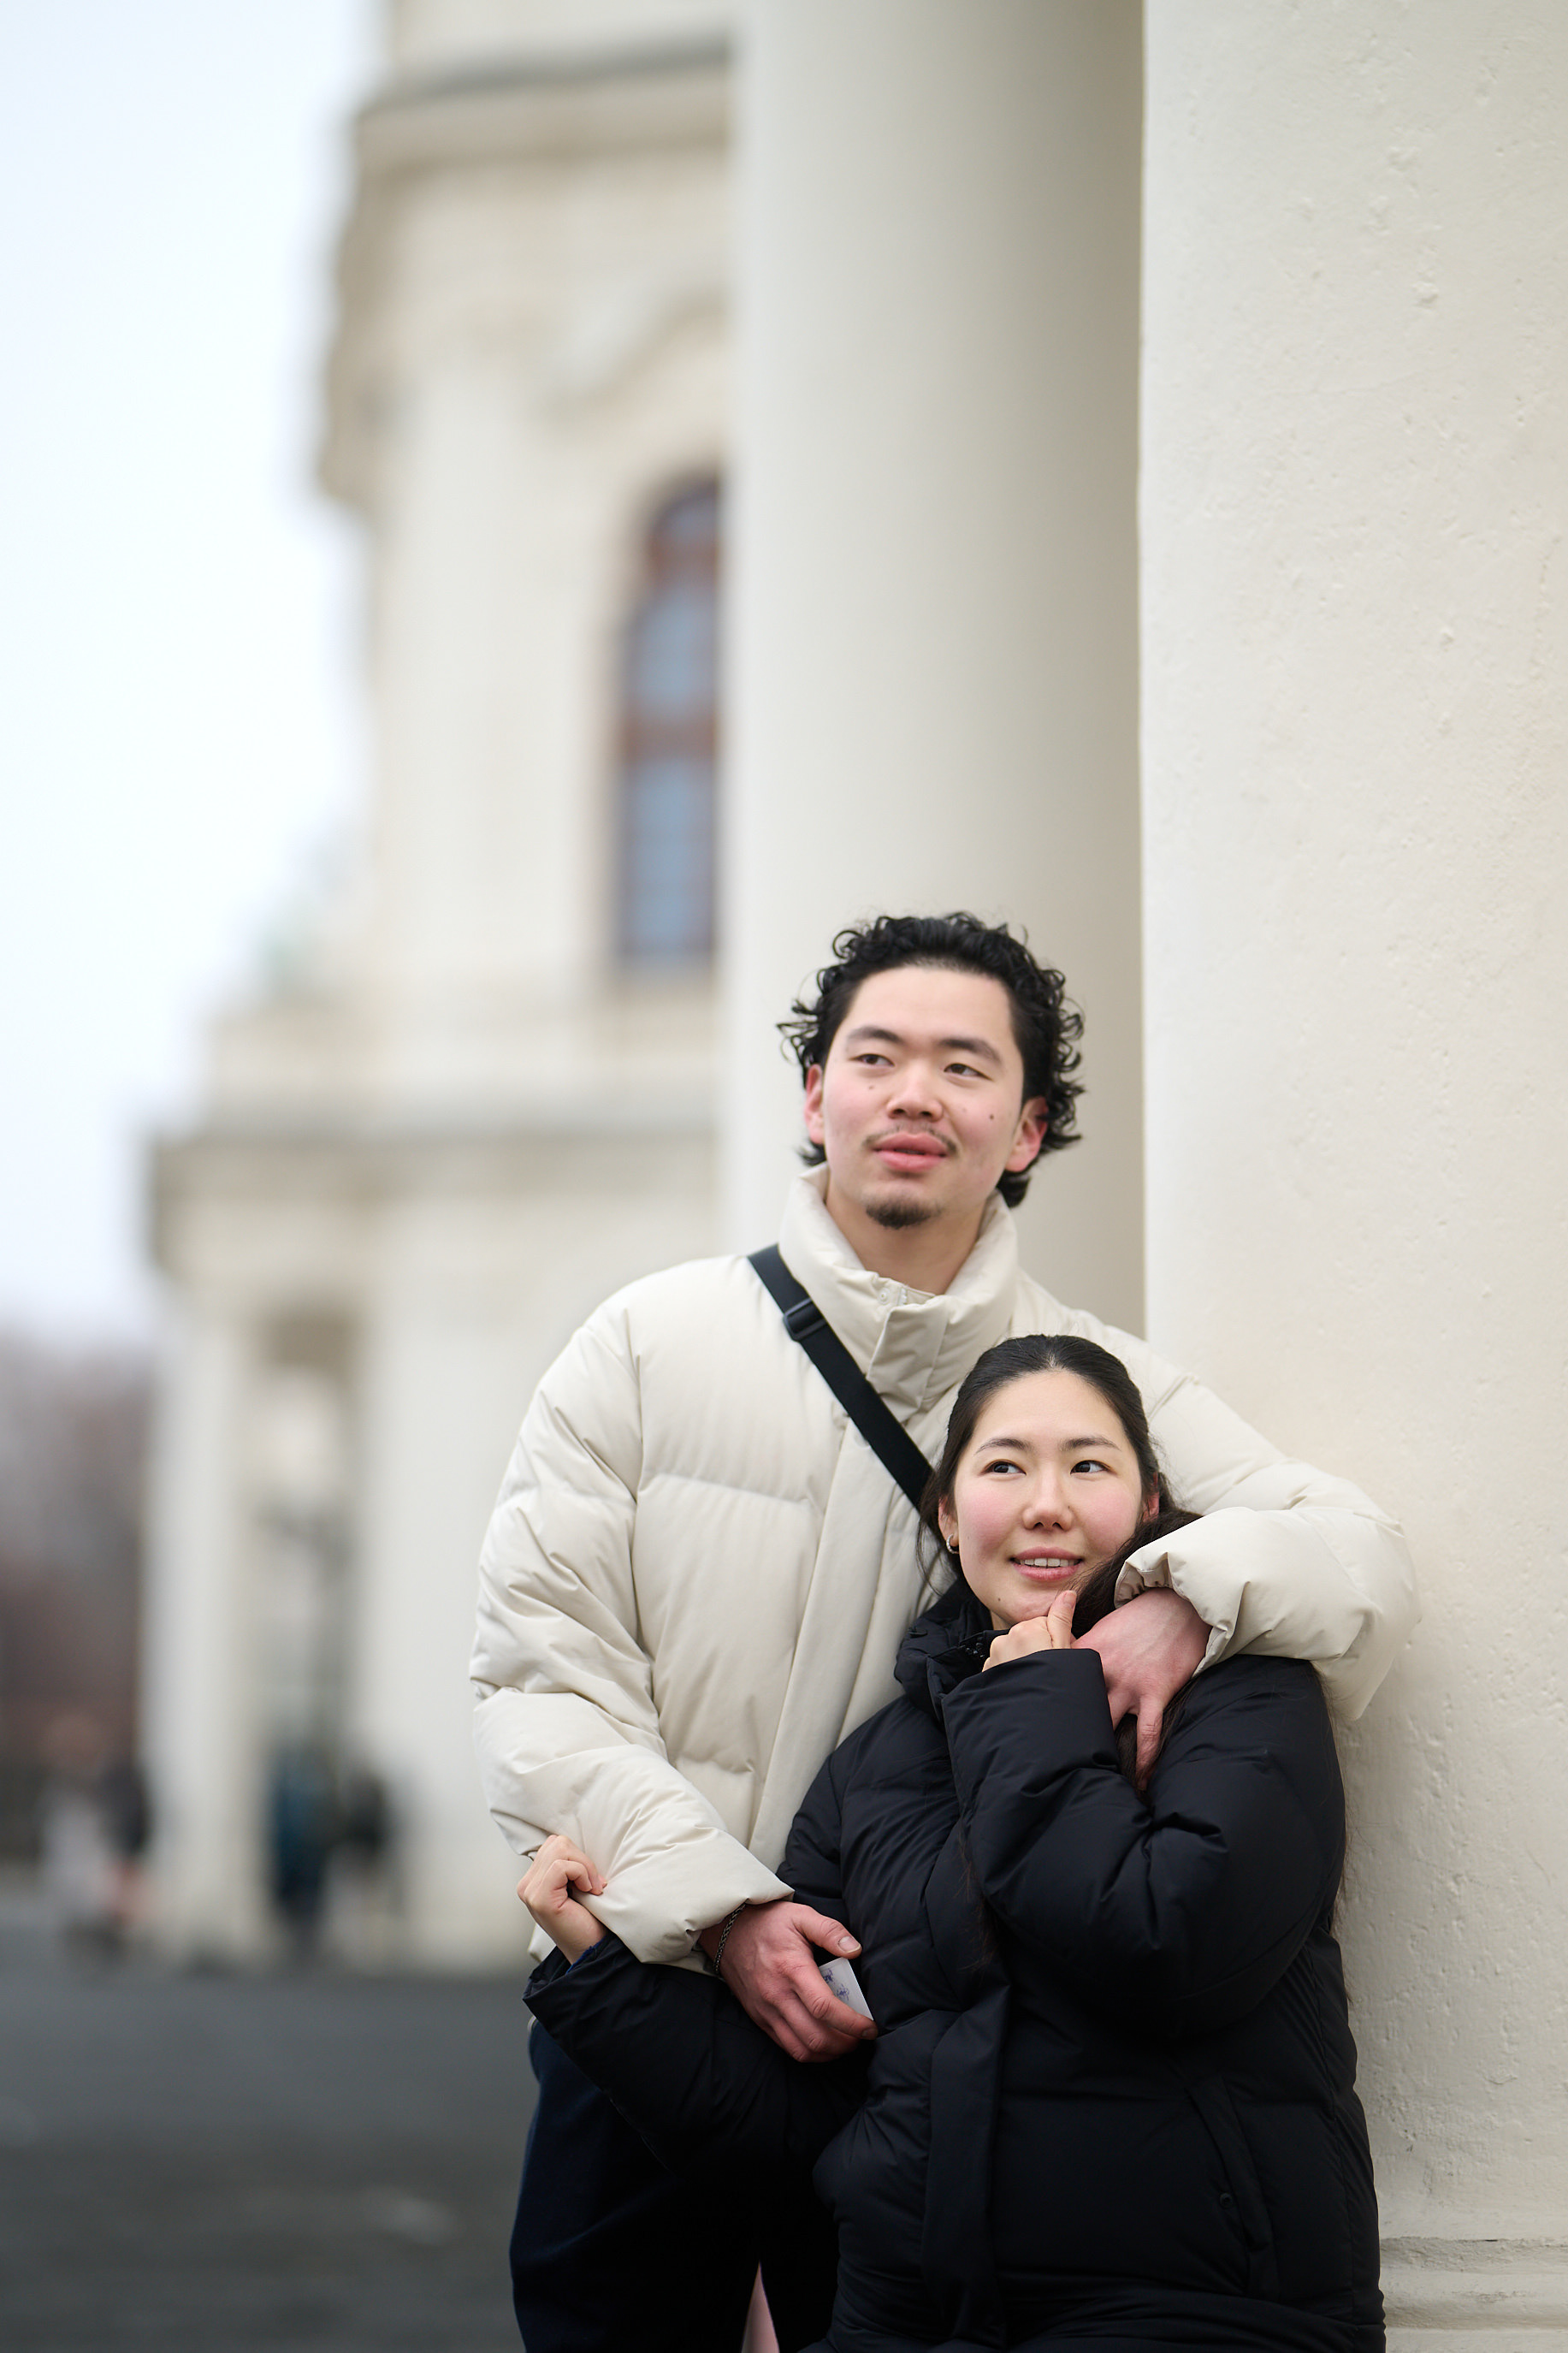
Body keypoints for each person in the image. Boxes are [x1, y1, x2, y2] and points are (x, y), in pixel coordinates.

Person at [471, 912, 1414, 2352]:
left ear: (1025, 1128)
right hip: (661, 1999)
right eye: (876, 1058)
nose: (914, 1094)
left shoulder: (1086, 1386)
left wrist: (1178, 1599)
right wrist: (720, 1907)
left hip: (901, 2056)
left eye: (964, 1066)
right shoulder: (642, 1348)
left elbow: (1355, 1552)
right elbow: (544, 1675)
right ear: (815, 1098)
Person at [519, 1334, 1383, 2353]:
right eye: (1005, 1465)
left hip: (1191, 2313)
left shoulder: (1240, 1687)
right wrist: (607, 1974)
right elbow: (807, 2115)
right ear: (946, 1511)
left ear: (1151, 1502)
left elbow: (1168, 1949)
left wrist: (1035, 1702)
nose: (1046, 1503)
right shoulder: (872, 1766)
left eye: (1089, 1464)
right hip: (906, 2318)